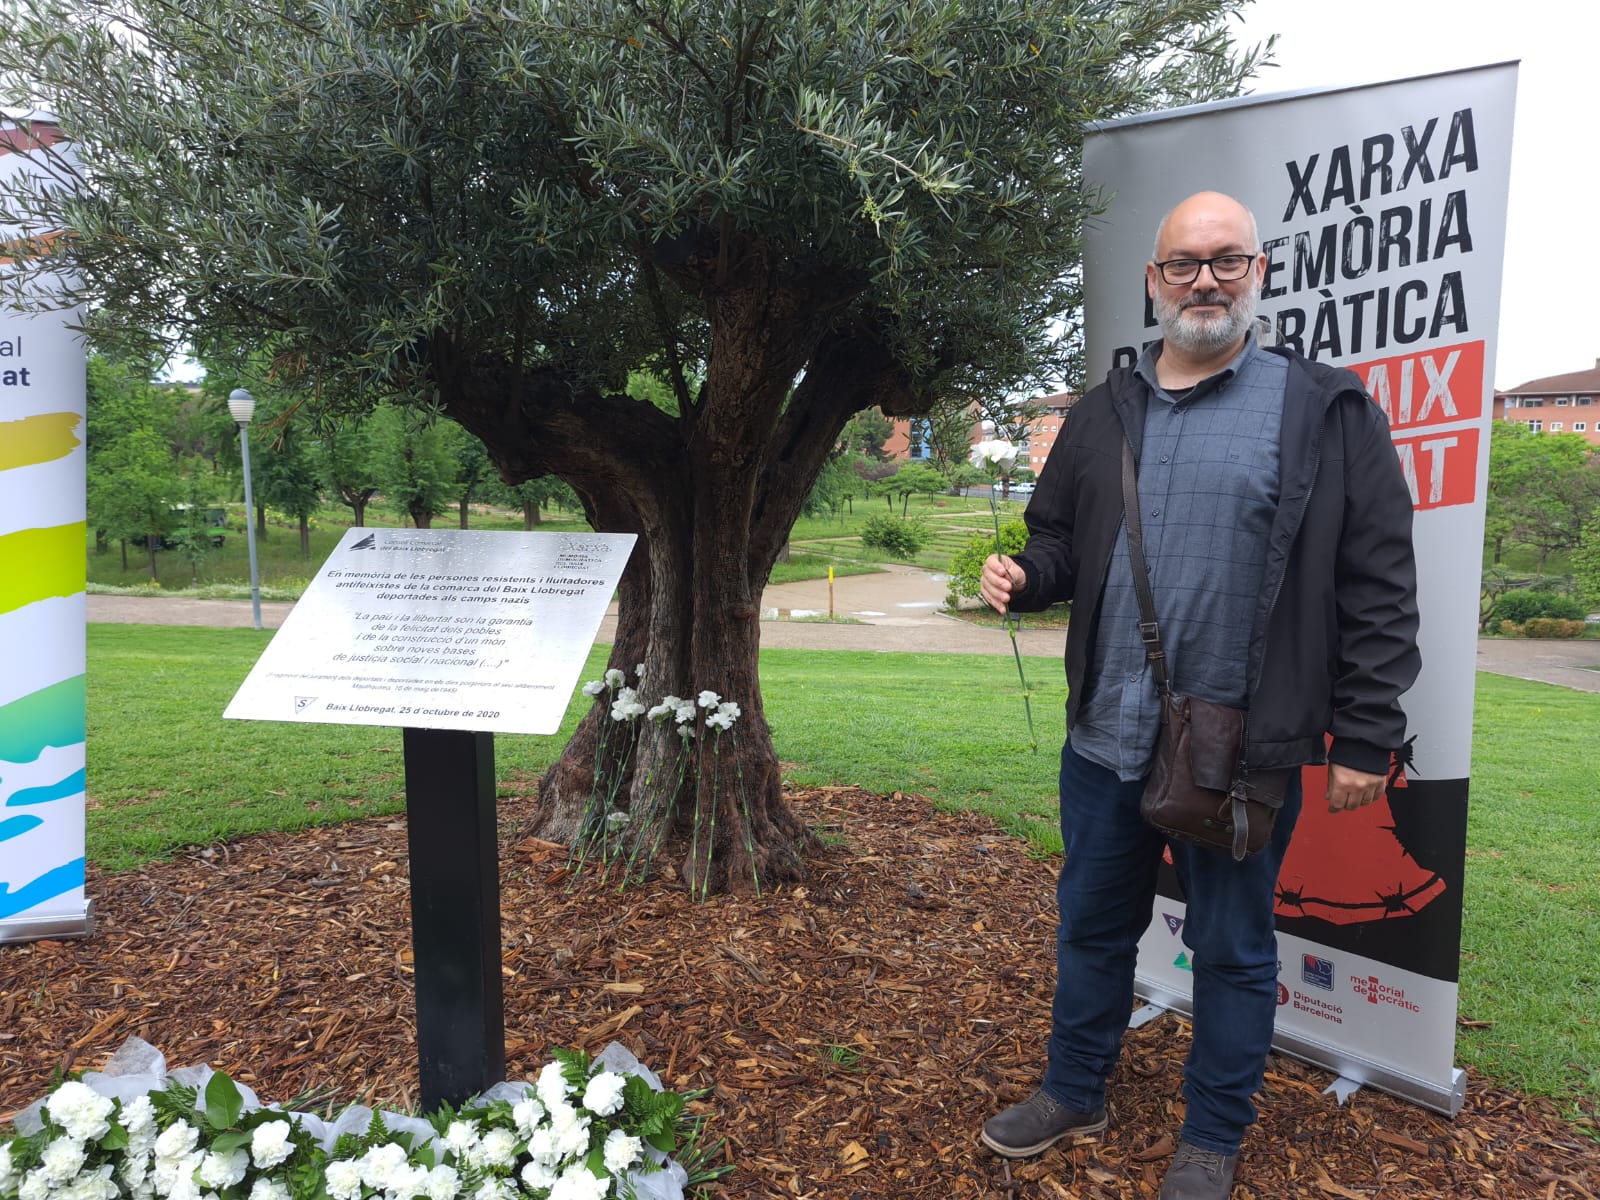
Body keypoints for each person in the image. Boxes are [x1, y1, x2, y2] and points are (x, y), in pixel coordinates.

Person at [976, 191, 1420, 1200]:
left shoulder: (1321, 409)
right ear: (1153, 280)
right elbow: (1058, 538)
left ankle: (1212, 1136)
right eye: (1183, 263)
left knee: (1230, 947)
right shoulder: (1102, 414)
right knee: (1090, 926)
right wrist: (1025, 574)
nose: (1205, 280)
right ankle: (1072, 1087)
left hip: (1242, 753)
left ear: (1258, 272)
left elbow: (1379, 582)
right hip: (1104, 738)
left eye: (1227, 261)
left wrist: (1366, 733)